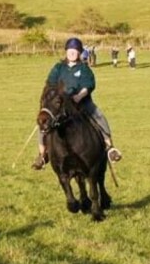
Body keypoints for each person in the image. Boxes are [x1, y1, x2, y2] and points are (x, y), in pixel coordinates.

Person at [32, 37, 122, 170]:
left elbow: (89, 85)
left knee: (99, 116)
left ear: (79, 53)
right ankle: (43, 155)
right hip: (61, 104)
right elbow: (51, 84)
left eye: (74, 51)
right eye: (69, 51)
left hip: (81, 102)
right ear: (66, 52)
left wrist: (79, 96)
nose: (72, 53)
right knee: (43, 123)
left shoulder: (84, 69)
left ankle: (110, 147)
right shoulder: (58, 68)